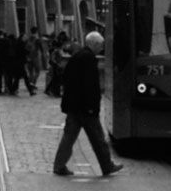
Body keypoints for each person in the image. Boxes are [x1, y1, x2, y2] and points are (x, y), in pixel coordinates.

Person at [52, 32, 123, 176]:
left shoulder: (77, 56)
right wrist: (92, 107)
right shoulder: (88, 58)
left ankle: (59, 165)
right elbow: (90, 85)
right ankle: (107, 165)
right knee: (98, 138)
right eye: (101, 45)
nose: (101, 48)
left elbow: (66, 77)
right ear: (95, 44)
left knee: (69, 137)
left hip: (74, 106)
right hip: (85, 108)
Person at [25, 27, 46, 96]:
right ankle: (33, 83)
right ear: (36, 31)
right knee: (37, 71)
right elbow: (41, 49)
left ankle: (30, 83)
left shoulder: (28, 39)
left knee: (30, 72)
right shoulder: (37, 39)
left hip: (28, 57)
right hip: (35, 57)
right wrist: (43, 55)